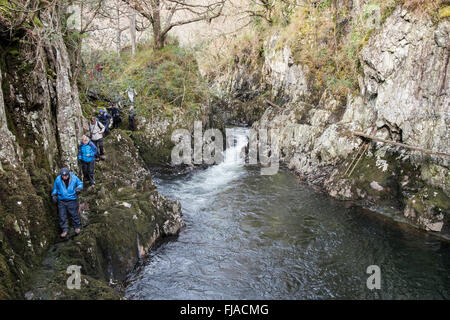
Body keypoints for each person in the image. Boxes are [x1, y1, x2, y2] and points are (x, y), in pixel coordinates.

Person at [52, 168, 83, 238]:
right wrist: (54, 195)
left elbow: (80, 183)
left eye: (66, 175)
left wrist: (79, 188)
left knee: (74, 214)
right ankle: (64, 230)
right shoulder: (58, 179)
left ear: (68, 174)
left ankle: (77, 227)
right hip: (61, 200)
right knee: (62, 216)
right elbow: (55, 188)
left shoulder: (74, 178)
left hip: (72, 199)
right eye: (63, 176)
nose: (65, 177)